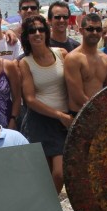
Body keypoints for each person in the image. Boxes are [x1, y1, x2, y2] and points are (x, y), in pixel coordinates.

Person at [18, 15, 72, 193]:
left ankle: (50, 209)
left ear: (47, 32)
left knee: (60, 173)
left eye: (41, 29)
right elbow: (30, 100)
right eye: (32, 31)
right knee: (48, 174)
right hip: (41, 121)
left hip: (64, 120)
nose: (37, 33)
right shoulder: (25, 62)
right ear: (26, 36)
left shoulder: (61, 53)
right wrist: (59, 115)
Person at [65, 14, 107, 113]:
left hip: (100, 113)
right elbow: (77, 95)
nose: (94, 32)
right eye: (90, 29)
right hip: (80, 115)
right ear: (81, 31)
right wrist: (99, 111)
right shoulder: (73, 58)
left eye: (98, 29)